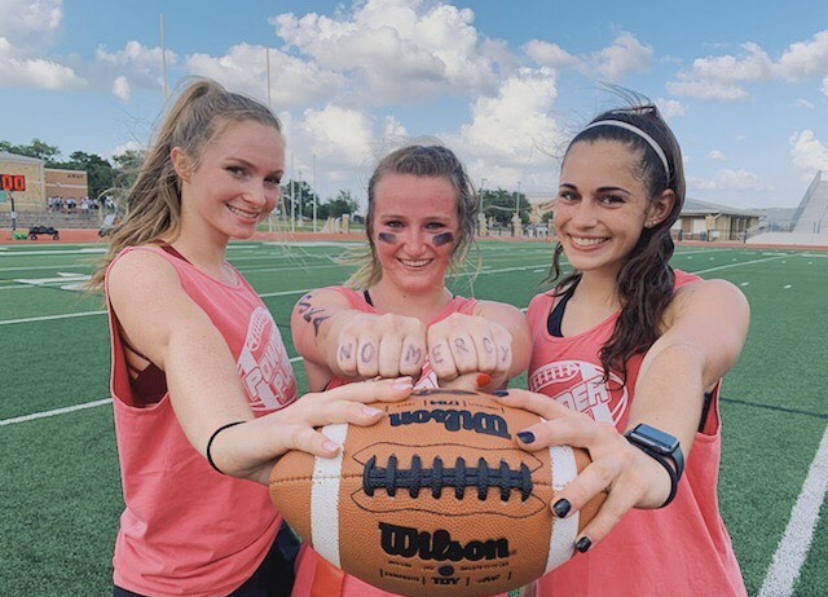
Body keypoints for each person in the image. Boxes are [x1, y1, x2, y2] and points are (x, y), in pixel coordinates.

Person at [88, 79, 414, 597]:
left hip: (265, 545)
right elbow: (187, 346)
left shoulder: (233, 278)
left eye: (272, 178)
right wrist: (229, 437)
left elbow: (267, 408)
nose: (258, 195)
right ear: (183, 163)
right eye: (238, 171)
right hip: (189, 578)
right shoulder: (143, 270)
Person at [492, 102, 750, 596]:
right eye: (570, 195)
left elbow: (684, 355)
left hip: (677, 582)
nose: (582, 218)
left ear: (658, 207)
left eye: (609, 199)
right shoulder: (540, 311)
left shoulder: (698, 300)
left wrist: (647, 451)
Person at [289, 144, 533, 596]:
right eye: (395, 225)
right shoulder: (332, 305)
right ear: (370, 228)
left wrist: (480, 344)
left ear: (460, 231)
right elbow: (323, 327)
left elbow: (510, 341)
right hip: (344, 576)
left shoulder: (490, 316)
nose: (415, 245)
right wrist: (359, 334)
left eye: (435, 226)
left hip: (465, 570)